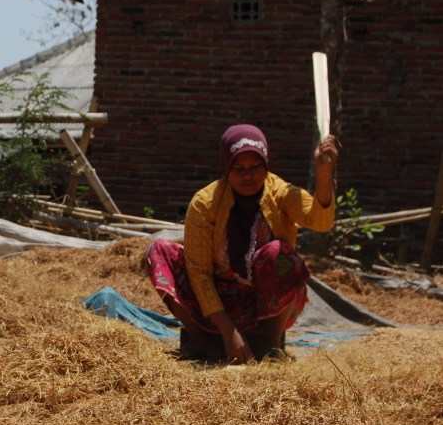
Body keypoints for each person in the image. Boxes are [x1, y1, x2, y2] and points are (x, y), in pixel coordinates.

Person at [145, 124, 338, 363]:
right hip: (216, 299)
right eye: (239, 168)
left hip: (264, 301)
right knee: (159, 251)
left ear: (266, 165)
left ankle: (269, 342)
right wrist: (228, 331)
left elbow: (320, 221)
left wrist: (324, 174)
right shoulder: (205, 203)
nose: (248, 175)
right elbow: (199, 273)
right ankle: (203, 340)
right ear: (227, 167)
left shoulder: (280, 192)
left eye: (256, 167)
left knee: (280, 252)